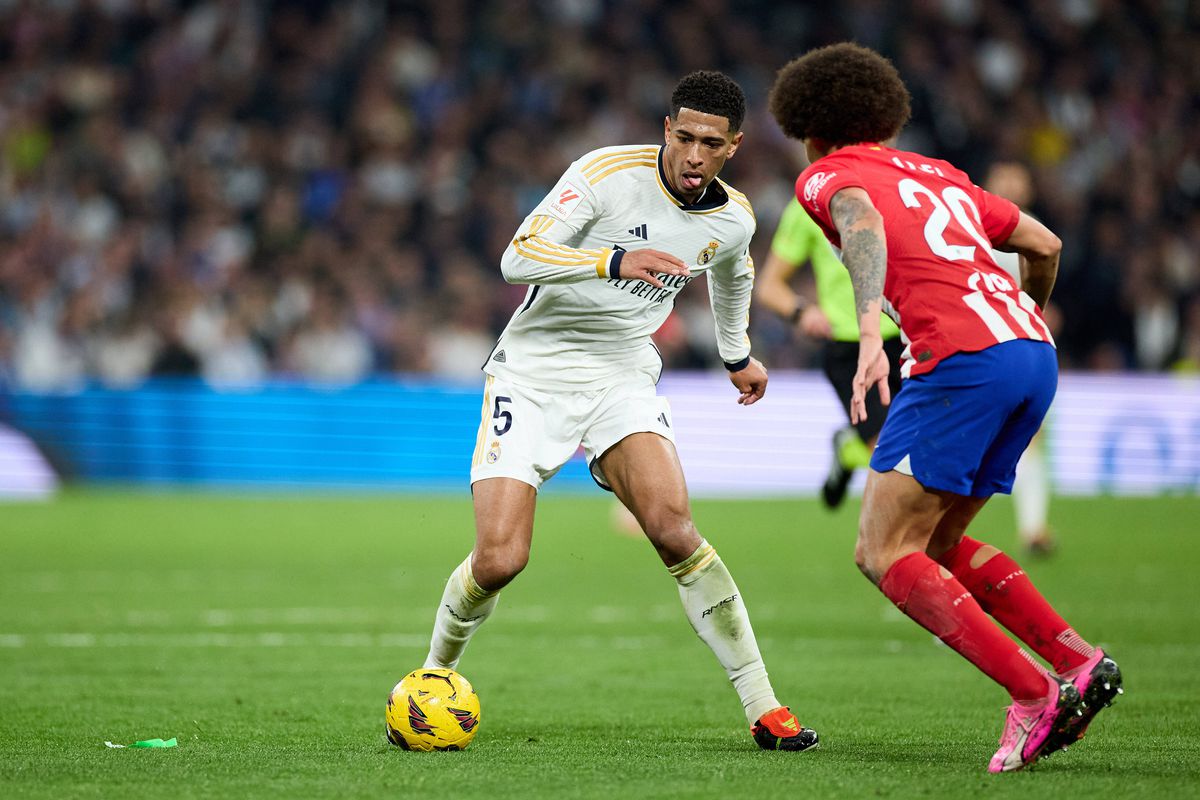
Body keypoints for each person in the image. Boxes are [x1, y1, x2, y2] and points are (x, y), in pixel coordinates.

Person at [421, 71, 818, 752]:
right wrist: (612, 259)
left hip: (622, 375)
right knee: (500, 559)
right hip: (535, 372)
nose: (694, 155)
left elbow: (734, 276)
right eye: (685, 137)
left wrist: (736, 355)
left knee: (673, 528)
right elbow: (517, 258)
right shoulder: (605, 174)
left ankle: (764, 705)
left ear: (733, 147)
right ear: (667, 130)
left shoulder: (733, 218)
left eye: (710, 144)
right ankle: (435, 675)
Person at [768, 43, 1121, 772]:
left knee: (882, 551)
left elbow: (859, 218)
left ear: (809, 128)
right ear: (887, 119)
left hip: (956, 364)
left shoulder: (827, 174)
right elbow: (1043, 243)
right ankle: (1077, 662)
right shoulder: (943, 174)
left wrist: (870, 325)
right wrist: (1026, 315)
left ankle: (1034, 695)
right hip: (1031, 353)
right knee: (931, 547)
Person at [755, 197, 904, 507]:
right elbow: (769, 286)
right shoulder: (807, 206)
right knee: (890, 452)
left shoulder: (893, 190)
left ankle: (850, 447)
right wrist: (802, 312)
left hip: (906, 338)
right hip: (850, 346)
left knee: (919, 444)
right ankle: (895, 545)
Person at [983, 161, 1056, 556]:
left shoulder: (1034, 229)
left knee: (1031, 438)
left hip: (1020, 347)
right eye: (1004, 177)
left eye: (1019, 177)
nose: (1012, 183)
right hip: (980, 348)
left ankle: (1033, 528)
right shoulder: (971, 228)